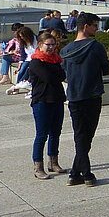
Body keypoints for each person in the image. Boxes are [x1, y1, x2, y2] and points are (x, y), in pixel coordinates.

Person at [60, 12, 109, 186]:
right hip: (92, 96)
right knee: (86, 137)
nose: (97, 28)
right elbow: (106, 69)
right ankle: (87, 174)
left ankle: (75, 173)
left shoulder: (65, 51)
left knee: (81, 136)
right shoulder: (95, 46)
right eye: (95, 25)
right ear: (86, 26)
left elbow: (63, 73)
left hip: (74, 97)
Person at [26, 32, 68, 180]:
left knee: (56, 132)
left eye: (53, 44)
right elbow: (49, 78)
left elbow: (62, 76)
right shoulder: (36, 62)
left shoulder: (55, 60)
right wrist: (56, 75)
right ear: (40, 45)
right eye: (47, 44)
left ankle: (53, 162)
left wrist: (57, 75)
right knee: (41, 135)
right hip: (42, 101)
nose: (51, 47)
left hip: (57, 100)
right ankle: (38, 167)